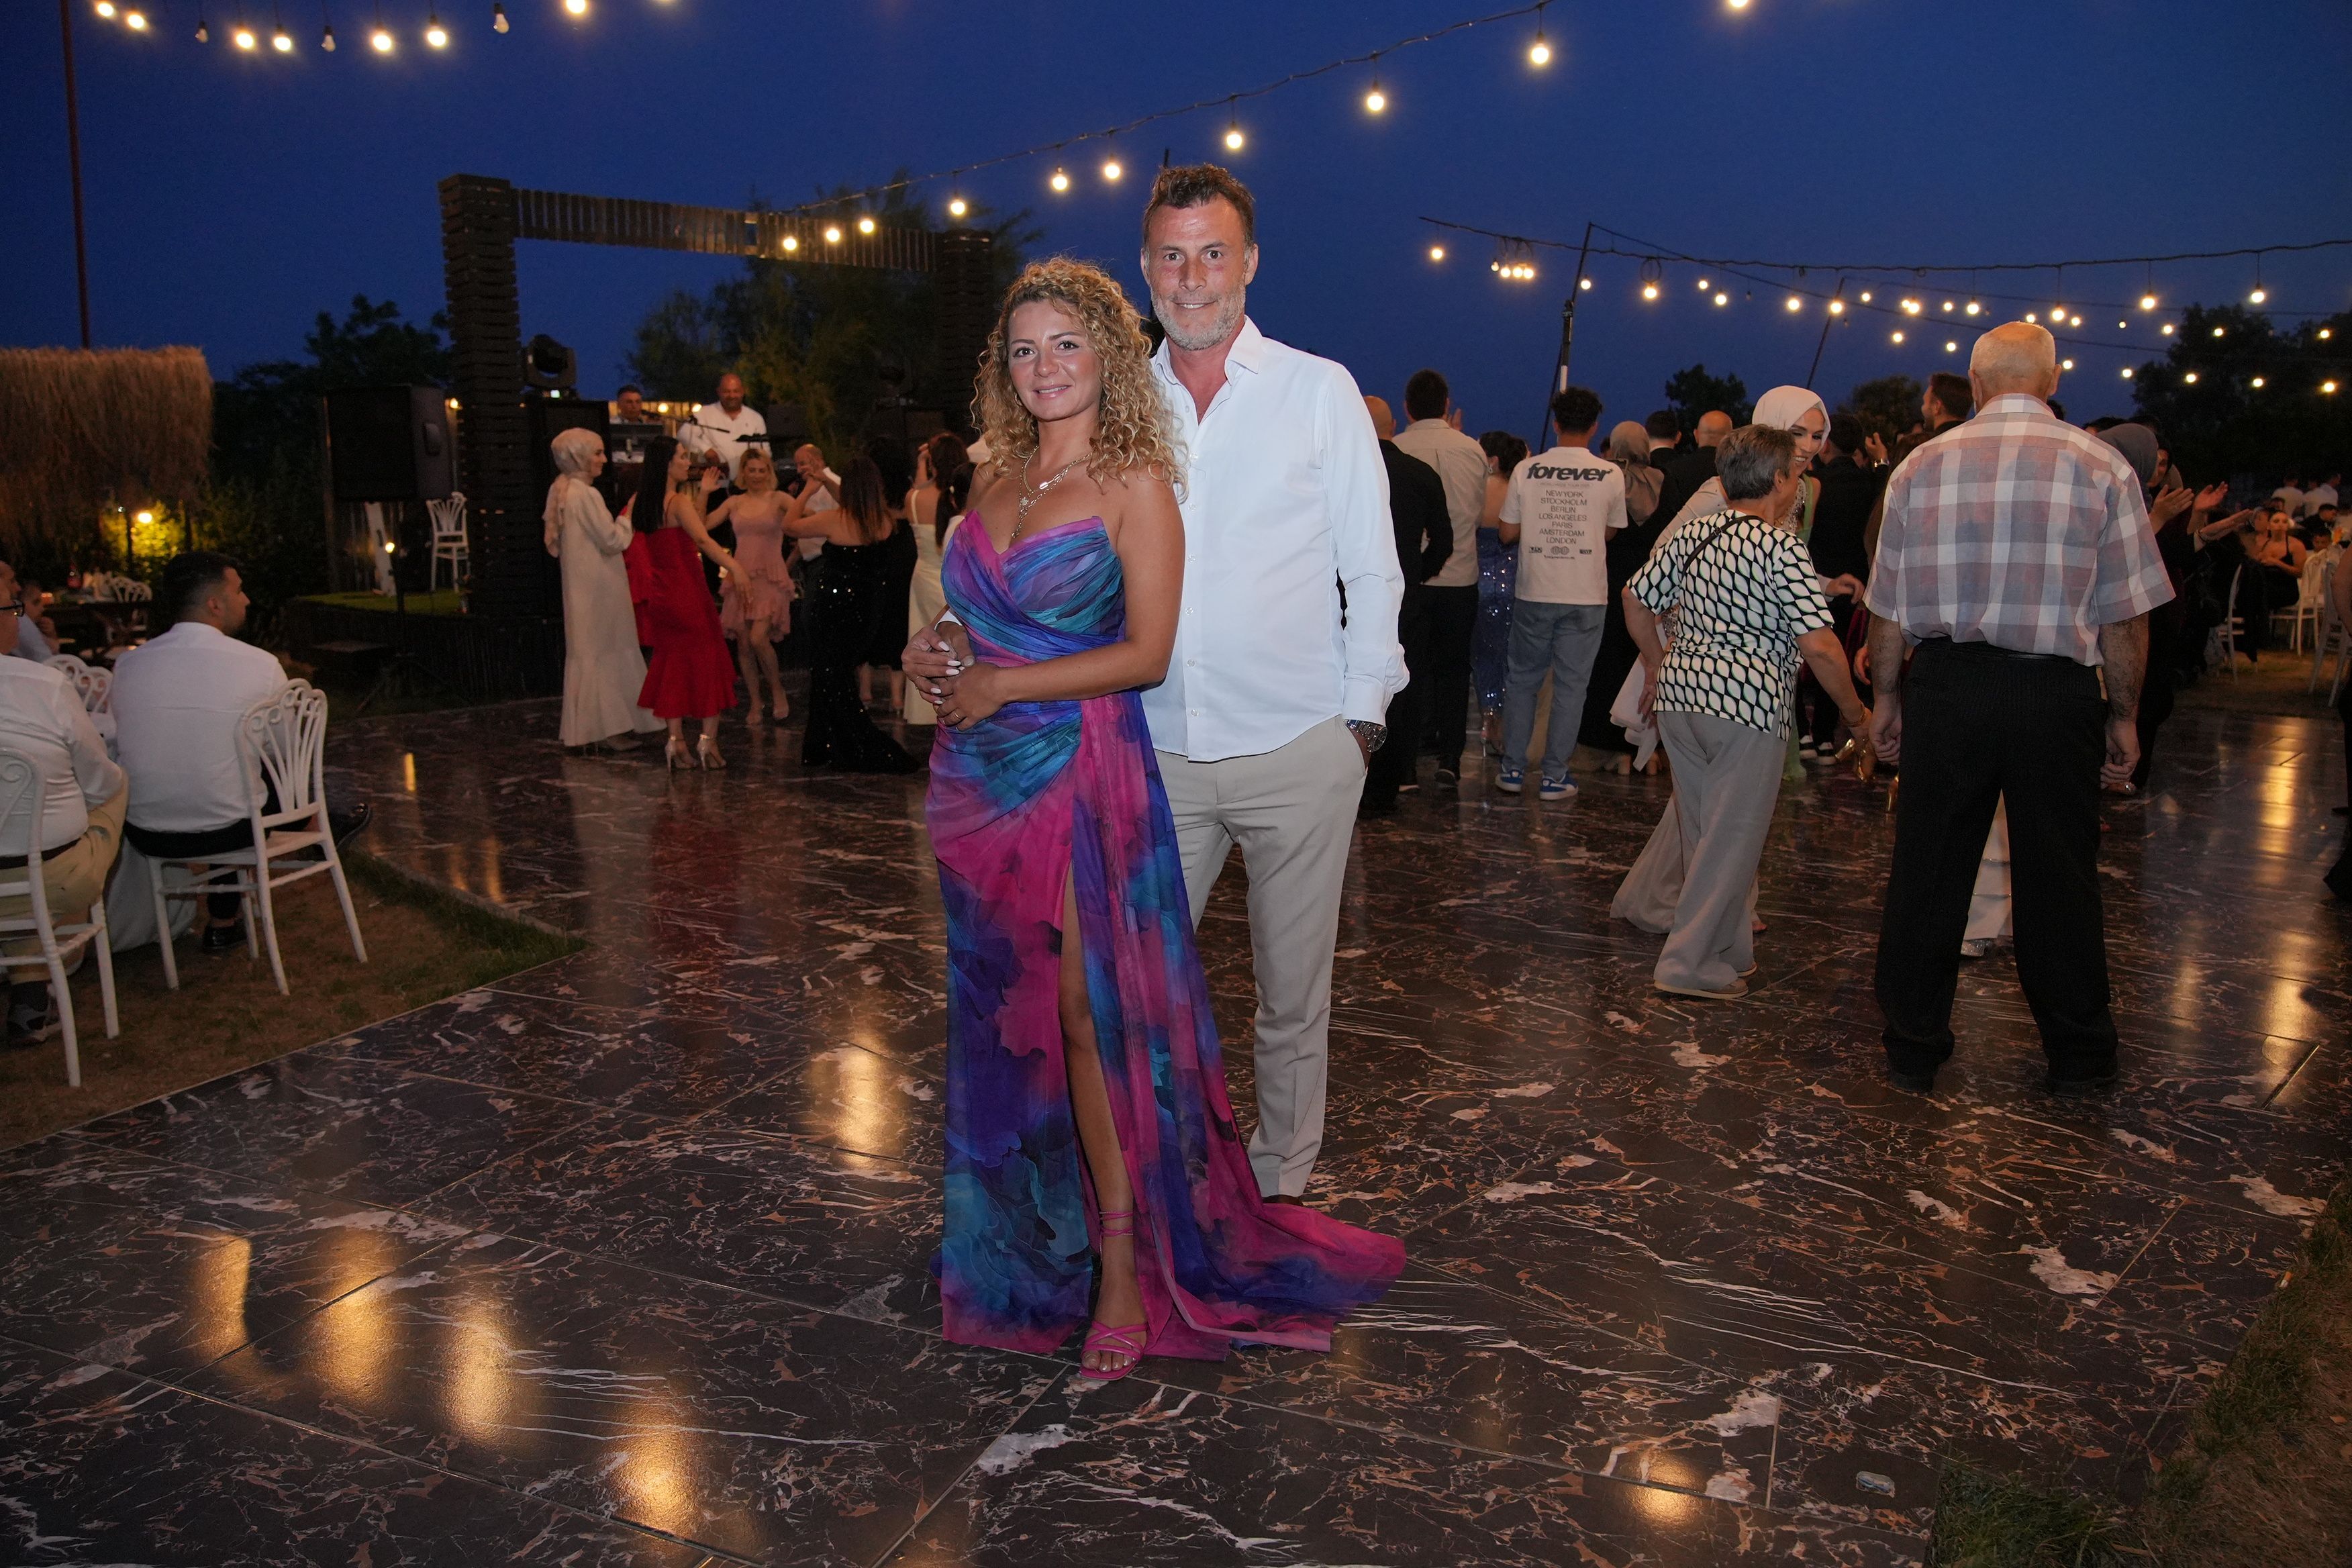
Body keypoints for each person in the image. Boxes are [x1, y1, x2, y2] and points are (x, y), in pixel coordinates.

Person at [916, 255, 1402, 1383]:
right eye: (1024, 349)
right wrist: (940, 649)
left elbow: (1144, 652)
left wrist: (1000, 683)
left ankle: (1126, 1275)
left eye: (1066, 345)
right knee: (1006, 1016)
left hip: (1084, 773)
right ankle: (1030, 1237)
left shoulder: (1135, 481)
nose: (1044, 367)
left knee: (1090, 1021)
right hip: (982, 783)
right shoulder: (994, 478)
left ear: (1106, 356)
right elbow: (975, 616)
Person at [1866, 322, 2173, 1096]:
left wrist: (1887, 698)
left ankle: (1912, 1044)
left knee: (1929, 867)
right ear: (2052, 380)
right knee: (2059, 873)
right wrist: (2124, 714)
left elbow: (1889, 605)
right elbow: (2126, 614)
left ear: (1974, 385)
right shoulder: (2102, 465)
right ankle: (2078, 1052)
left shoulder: (1920, 466)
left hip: (1947, 685)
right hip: (2054, 690)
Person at [1623, 426, 1871, 999]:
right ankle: (1686, 964)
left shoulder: (1696, 533)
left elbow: (1635, 599)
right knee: (1732, 839)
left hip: (1682, 698)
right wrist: (1857, 716)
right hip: (1747, 705)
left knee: (1703, 833)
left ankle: (1728, 947)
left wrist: (1658, 663)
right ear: (1780, 480)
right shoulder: (1780, 547)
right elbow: (1821, 646)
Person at [113, 552, 372, 954]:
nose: (247, 599)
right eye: (238, 590)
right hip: (231, 827)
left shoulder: (128, 665)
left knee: (224, 773)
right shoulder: (259, 665)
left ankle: (224, 923)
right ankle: (319, 828)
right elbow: (287, 756)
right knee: (251, 778)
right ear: (215, 604)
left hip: (148, 833)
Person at [0, 584, 126, 1042]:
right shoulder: (43, 685)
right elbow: (99, 782)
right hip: (54, 881)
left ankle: (31, 995)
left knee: (20, 852)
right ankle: (34, 991)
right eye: (14, 607)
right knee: (117, 785)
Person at [1494, 386, 1626, 801]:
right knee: (1572, 687)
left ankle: (1513, 769)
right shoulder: (1610, 474)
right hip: (1586, 594)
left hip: (1536, 588)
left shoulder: (1526, 470)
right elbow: (1610, 531)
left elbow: (1507, 532)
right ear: (1594, 427)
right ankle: (1554, 775)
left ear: (1555, 424)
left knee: (1522, 681)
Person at [785, 457, 917, 773]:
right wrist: (828, 481)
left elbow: (788, 525)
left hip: (830, 608)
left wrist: (807, 491)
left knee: (829, 675)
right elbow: (856, 501)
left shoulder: (835, 519)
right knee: (836, 674)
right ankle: (824, 745)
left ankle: (843, 743)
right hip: (867, 611)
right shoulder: (883, 521)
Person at [1393, 370, 1488, 787]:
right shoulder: (1472, 450)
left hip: (1408, 580)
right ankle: (1451, 758)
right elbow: (1476, 511)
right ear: (1447, 406)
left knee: (1408, 669)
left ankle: (1407, 760)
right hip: (1460, 576)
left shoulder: (1397, 450)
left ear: (1407, 408)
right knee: (1454, 670)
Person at [624, 439, 742, 770]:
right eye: (681, 457)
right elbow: (702, 539)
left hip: (662, 595)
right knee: (707, 661)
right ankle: (708, 741)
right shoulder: (676, 502)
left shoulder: (640, 502)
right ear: (666, 463)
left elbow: (692, 528)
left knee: (672, 663)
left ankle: (675, 741)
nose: (686, 462)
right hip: (688, 592)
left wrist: (703, 493)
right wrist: (736, 568)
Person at [540, 430, 662, 751]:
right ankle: (610, 729)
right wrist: (629, 515)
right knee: (605, 652)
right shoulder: (585, 495)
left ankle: (596, 729)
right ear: (578, 456)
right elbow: (613, 540)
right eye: (596, 453)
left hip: (585, 587)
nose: (604, 460)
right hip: (599, 588)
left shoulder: (563, 491)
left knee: (592, 652)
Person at [1359, 396, 1451, 817]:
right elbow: (1445, 541)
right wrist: (1414, 576)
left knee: (1350, 686)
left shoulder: (1344, 470)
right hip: (1405, 600)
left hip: (1347, 598)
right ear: (1393, 425)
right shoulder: (1420, 473)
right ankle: (1391, 781)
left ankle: (1351, 776)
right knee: (1403, 691)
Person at [706, 446, 794, 724]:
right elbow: (702, 526)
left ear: (769, 472)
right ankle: (756, 702)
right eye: (751, 470)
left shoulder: (779, 499)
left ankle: (777, 691)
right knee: (744, 644)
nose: (756, 475)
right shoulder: (734, 502)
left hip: (771, 576)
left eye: (761, 470)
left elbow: (808, 518)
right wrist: (704, 493)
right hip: (741, 577)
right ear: (743, 472)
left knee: (758, 638)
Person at [902, 433, 971, 727]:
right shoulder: (964, 497)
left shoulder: (915, 497)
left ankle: (928, 706)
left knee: (927, 641)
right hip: (946, 580)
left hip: (922, 575)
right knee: (952, 645)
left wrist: (921, 464)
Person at [1473, 430, 1530, 758]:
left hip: (1479, 581)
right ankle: (1508, 726)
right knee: (1512, 656)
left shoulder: (1479, 489)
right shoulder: (1520, 490)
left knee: (1483, 656)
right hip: (1515, 582)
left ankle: (1489, 717)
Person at [861, 439, 919, 714]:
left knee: (872, 616)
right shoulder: (908, 486)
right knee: (898, 616)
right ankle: (898, 696)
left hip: (877, 548)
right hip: (905, 549)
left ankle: (865, 689)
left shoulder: (872, 488)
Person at [678, 372, 767, 487]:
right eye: (726, 392)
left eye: (736, 391)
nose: (731, 396)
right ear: (719, 392)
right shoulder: (705, 413)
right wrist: (706, 449)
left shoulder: (755, 417)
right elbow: (683, 434)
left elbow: (765, 452)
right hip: (715, 485)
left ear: (743, 392)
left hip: (748, 484)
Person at [1652, 409, 1733, 532]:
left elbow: (1665, 518)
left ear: (1696, 435)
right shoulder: (1737, 471)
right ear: (1731, 437)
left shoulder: (1674, 470)